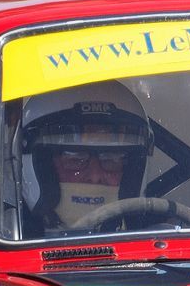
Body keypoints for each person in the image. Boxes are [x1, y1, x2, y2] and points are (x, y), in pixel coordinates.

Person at [18, 82, 154, 231]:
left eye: (112, 159)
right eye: (75, 158)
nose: (95, 176)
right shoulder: (1, 242)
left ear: (135, 169)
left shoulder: (163, 241)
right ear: (40, 166)